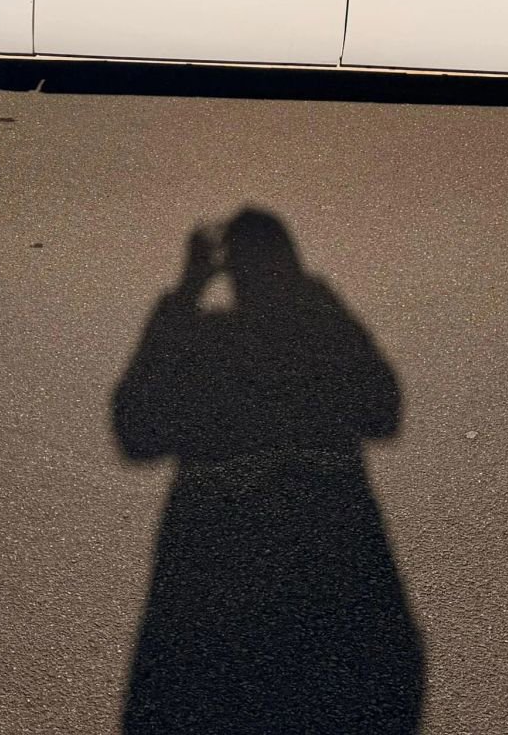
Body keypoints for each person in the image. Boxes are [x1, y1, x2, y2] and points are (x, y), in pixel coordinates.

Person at [112, 209, 424, 734]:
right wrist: (320, 303)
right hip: (331, 579)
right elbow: (382, 410)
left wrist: (183, 298)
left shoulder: (202, 342)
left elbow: (137, 431)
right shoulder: (317, 340)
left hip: (210, 587)